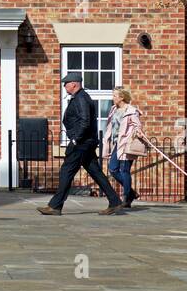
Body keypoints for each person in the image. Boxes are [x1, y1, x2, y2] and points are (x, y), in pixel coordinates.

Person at [37, 72, 124, 216]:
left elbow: (85, 121)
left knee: (66, 171)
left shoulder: (81, 98)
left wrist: (75, 139)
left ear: (74, 84)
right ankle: (114, 201)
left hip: (81, 144)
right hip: (86, 143)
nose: (64, 86)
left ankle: (55, 206)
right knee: (95, 172)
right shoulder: (79, 97)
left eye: (66, 83)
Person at [103, 86, 143, 207]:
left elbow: (137, 125)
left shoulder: (131, 111)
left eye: (115, 95)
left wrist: (138, 131)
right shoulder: (113, 109)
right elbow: (110, 126)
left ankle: (126, 198)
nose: (113, 97)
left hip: (126, 143)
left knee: (125, 170)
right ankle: (131, 192)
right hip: (117, 144)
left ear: (122, 97)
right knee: (113, 169)